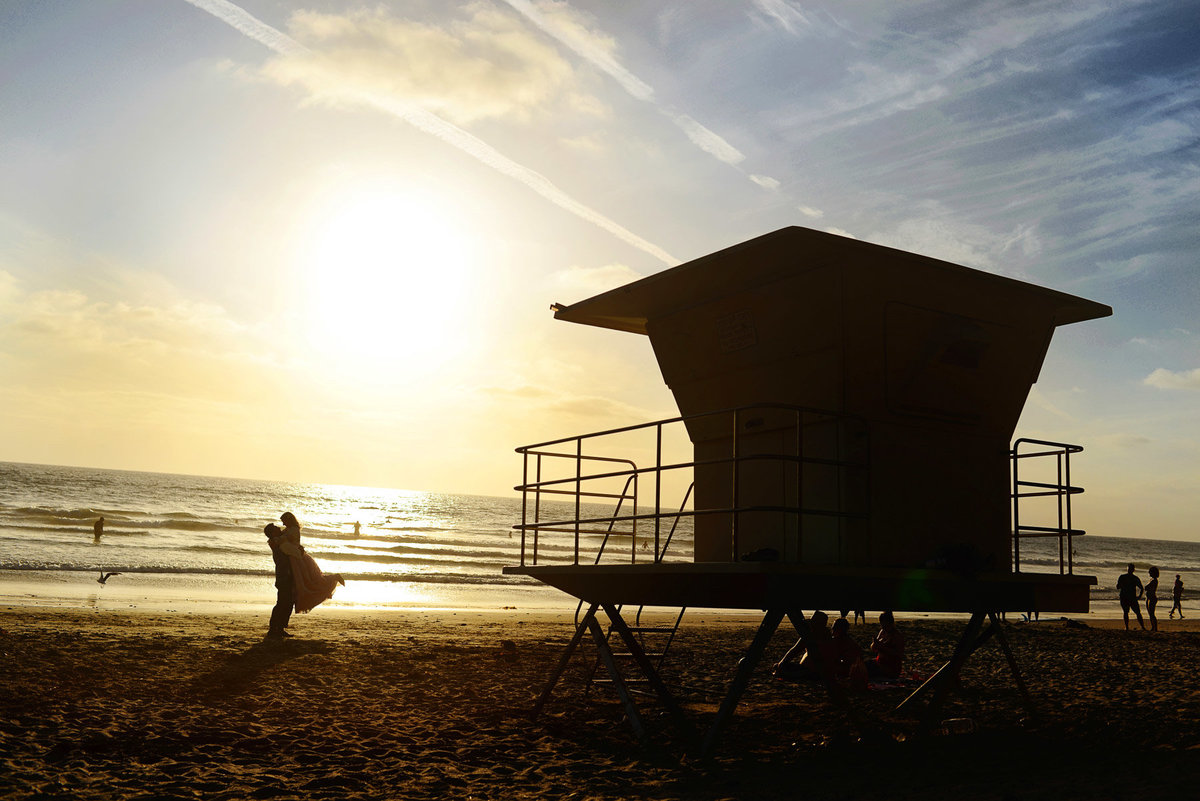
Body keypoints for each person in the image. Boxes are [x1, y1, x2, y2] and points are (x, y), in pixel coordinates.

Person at [278, 512, 345, 614]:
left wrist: (279, 539)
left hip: (296, 558)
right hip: (293, 557)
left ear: (288, 520)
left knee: (311, 580)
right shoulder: (289, 529)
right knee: (305, 581)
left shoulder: (294, 530)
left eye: (284, 521)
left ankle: (334, 577)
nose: (283, 524)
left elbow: (291, 543)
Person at [773, 611, 834, 681]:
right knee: (782, 667)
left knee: (781, 669)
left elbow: (794, 651)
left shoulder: (811, 636)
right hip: (818, 670)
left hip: (812, 671)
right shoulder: (827, 635)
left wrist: (781, 664)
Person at [264, 523, 294, 640]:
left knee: (286, 602)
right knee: (283, 603)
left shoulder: (277, 541)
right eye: (275, 528)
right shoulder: (276, 542)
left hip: (285, 575)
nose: (278, 528)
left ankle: (279, 628)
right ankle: (274, 628)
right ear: (273, 533)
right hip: (284, 576)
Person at [866, 611, 905, 679]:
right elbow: (874, 648)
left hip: (890, 667)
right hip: (880, 662)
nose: (884, 627)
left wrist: (883, 647)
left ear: (891, 624)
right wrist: (875, 644)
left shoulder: (897, 636)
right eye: (882, 625)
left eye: (886, 625)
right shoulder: (883, 632)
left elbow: (898, 654)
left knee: (870, 669)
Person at [1116, 563, 1145, 631]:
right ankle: (1129, 627)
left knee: (1134, 612)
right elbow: (1118, 586)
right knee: (1132, 612)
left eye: (1130, 569)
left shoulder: (1125, 577)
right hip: (1127, 597)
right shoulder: (1133, 578)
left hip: (1129, 597)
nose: (1129, 570)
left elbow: (1141, 588)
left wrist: (1139, 596)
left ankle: (1135, 627)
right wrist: (1139, 596)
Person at [1146, 566, 1160, 632]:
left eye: (1150, 571)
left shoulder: (1154, 580)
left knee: (1152, 613)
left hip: (1152, 598)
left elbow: (1147, 587)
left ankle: (1155, 627)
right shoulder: (1152, 580)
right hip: (1149, 598)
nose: (1149, 573)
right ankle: (1153, 627)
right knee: (1150, 613)